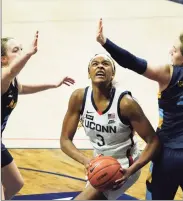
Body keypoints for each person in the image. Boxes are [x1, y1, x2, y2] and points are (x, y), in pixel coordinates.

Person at [96, 18, 183, 200]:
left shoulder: (168, 73)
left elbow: (133, 62)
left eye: (175, 49)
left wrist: (105, 42)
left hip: (168, 152)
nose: (171, 51)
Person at [60, 53, 160, 200]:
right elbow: (65, 140)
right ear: (89, 73)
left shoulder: (126, 104)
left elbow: (153, 141)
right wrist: (86, 161)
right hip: (98, 163)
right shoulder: (79, 98)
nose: (100, 66)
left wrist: (131, 170)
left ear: (112, 74)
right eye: (95, 63)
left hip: (123, 166)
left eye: (105, 63)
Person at [1, 31, 75, 200]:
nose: (20, 52)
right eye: (15, 50)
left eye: (21, 49)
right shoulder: (2, 77)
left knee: (15, 184)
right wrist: (29, 53)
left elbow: (24, 89)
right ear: (2, 59)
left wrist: (53, 84)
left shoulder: (13, 82)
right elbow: (11, 71)